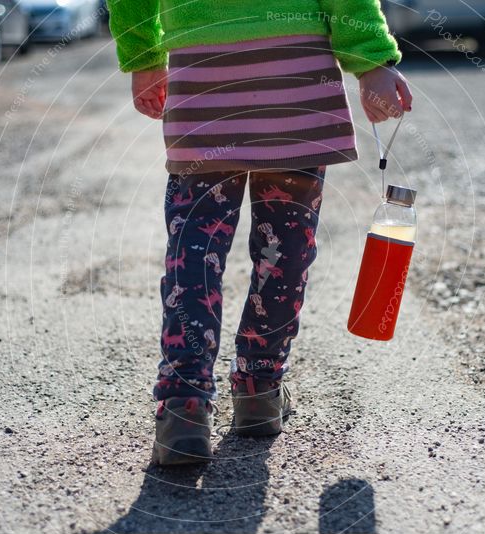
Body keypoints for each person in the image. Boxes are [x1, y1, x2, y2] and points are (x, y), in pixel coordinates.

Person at [107, 0, 413, 465]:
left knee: (194, 253)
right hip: (296, 72)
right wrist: (371, 61)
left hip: (202, 70)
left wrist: (143, 55)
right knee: (285, 251)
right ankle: (258, 390)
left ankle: (184, 409)